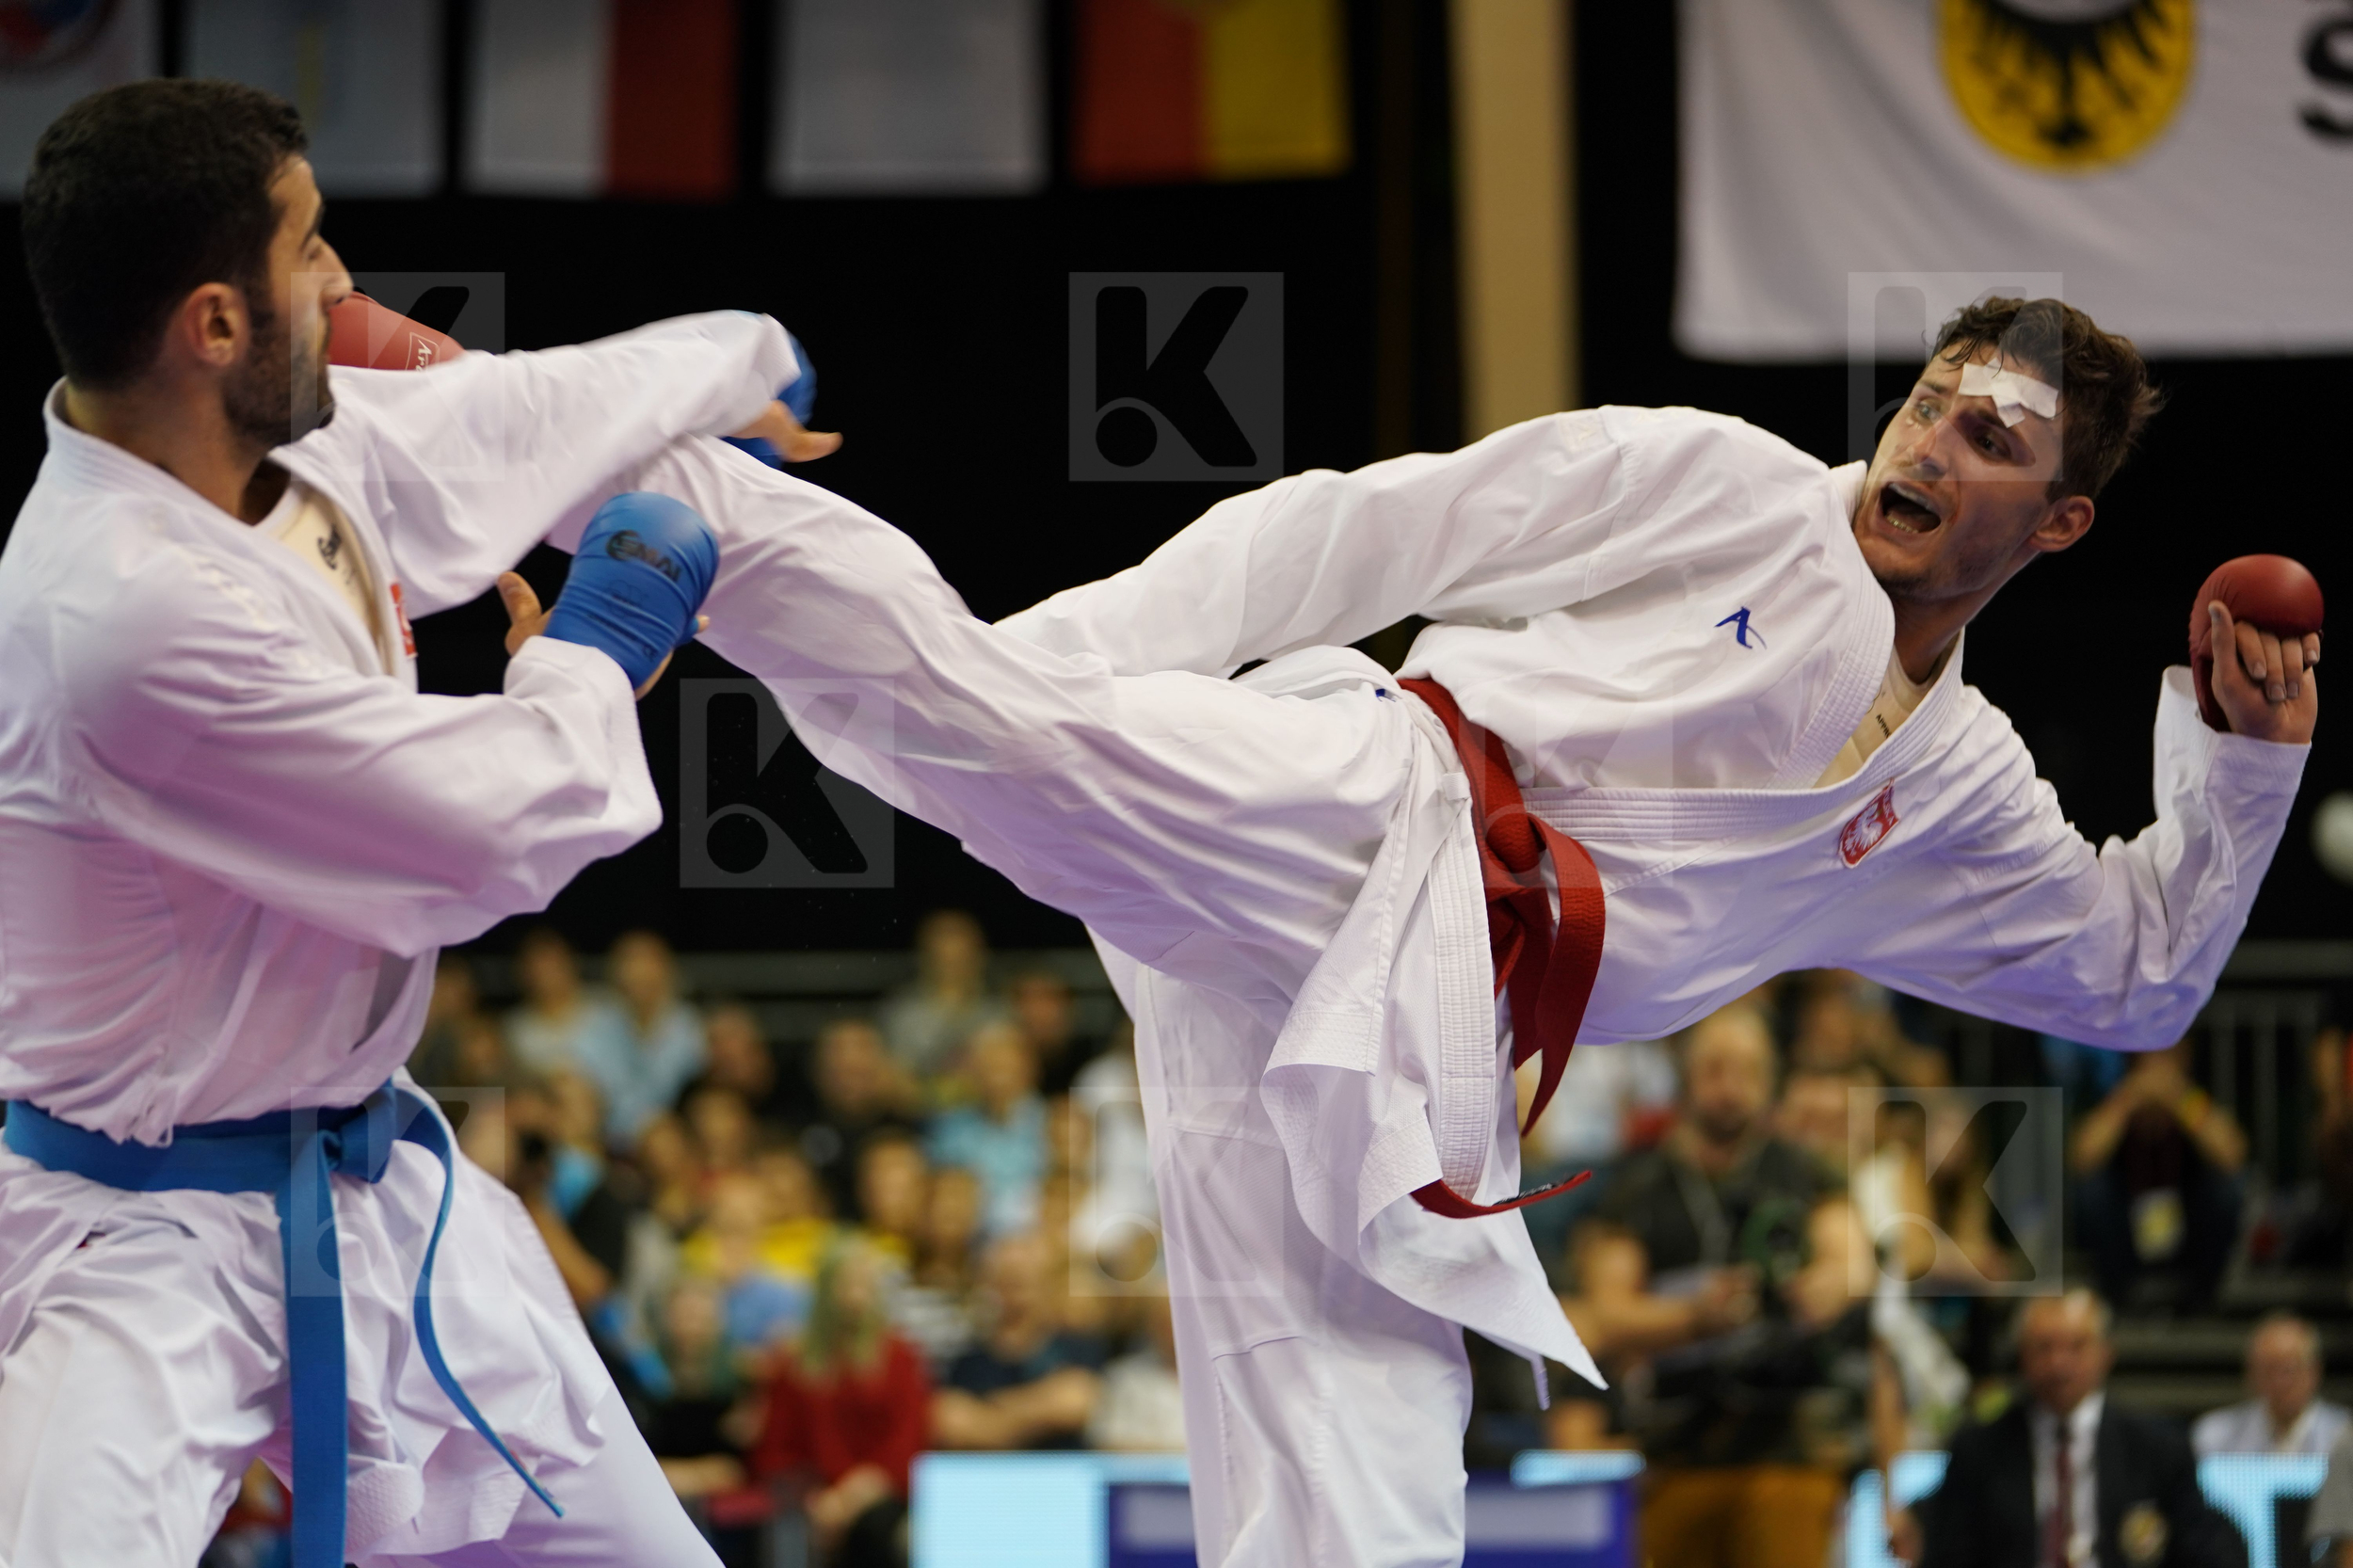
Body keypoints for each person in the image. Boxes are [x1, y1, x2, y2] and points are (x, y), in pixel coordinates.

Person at [519, 287, 2314, 1566]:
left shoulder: (1966, 793)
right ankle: (694, 495)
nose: (1933, 438)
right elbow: (1366, 527)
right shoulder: (1729, 485)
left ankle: (774, 564)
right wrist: (1047, 660)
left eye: (1989, 437)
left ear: (2060, 518)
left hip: (1436, 1054)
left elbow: (2136, 974)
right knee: (1000, 731)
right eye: (1931, 397)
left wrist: (2242, 770)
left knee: (1359, 1486)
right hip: (1379, 807)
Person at [0, 80, 819, 1568]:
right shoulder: (121, 616)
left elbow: (501, 422)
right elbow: (476, 835)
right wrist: (597, 644)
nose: (344, 287)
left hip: (370, 1188)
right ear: (215, 323)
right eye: (309, 251)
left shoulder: (283, 452)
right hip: (132, 1240)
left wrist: (740, 362)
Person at [1576, 1005, 1868, 1568]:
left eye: (1746, 1071)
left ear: (1769, 1081)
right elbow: (1605, 1314)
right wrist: (1693, 1318)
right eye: (1715, 1069)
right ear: (1687, 1076)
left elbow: (1853, 1262)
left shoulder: (1804, 1172)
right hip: (1676, 1450)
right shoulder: (1638, 1186)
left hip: (1790, 1450)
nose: (1730, 1087)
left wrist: (1819, 1287)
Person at [1915, 1289, 2248, 1568]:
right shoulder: (1979, 1449)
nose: (2059, 1364)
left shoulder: (2158, 1450)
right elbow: (1949, 1557)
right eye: (2044, 1348)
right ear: (2021, 1356)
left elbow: (2203, 1554)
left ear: (2106, 1353)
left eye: (2076, 1346)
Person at [751, 1241, 930, 1568]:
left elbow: (910, 1440)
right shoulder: (794, 1364)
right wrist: (814, 1497)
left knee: (877, 1526)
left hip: (882, 1495)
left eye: (865, 1285)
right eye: (847, 1284)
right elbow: (775, 1449)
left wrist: (856, 1493)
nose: (856, 1297)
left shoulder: (900, 1357)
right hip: (813, 1497)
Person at [2070, 1039, 2249, 1312]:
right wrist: (2128, 1098)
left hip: (2188, 1235)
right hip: (2127, 1236)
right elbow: (2081, 1160)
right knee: (2091, 1193)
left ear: (2184, 1059)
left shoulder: (2193, 1100)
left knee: (2227, 1190)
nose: (2156, 1069)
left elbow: (2233, 1156)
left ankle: (2203, 1302)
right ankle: (2119, 1302)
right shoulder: (2118, 1100)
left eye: (2166, 1055)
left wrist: (2179, 1096)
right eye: (2147, 1057)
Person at [572, 930, 708, 1149]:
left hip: (679, 1141)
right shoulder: (596, 1026)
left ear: (667, 969)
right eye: (630, 962)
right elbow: (580, 1084)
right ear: (615, 972)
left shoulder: (691, 1026)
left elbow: (699, 1091)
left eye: (648, 962)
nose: (639, 973)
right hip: (608, 1142)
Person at [925, 1023, 1050, 1240]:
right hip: (969, 1242)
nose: (996, 1074)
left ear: (1029, 1068)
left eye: (1005, 1065)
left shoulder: (1051, 1124)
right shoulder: (950, 1130)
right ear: (972, 1071)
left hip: (1037, 1238)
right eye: (988, 1064)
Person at [2192, 1312, 2350, 1459]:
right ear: (2251, 1374)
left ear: (2314, 1370)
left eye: (2288, 1370)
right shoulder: (2215, 1435)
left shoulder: (2346, 1434)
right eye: (2267, 1371)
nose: (2279, 1382)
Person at [876, 910, 1008, 1081]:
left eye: (961, 957)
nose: (952, 964)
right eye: (944, 957)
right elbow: (892, 1074)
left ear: (979, 956)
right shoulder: (901, 1013)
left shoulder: (998, 1013)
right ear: (926, 956)